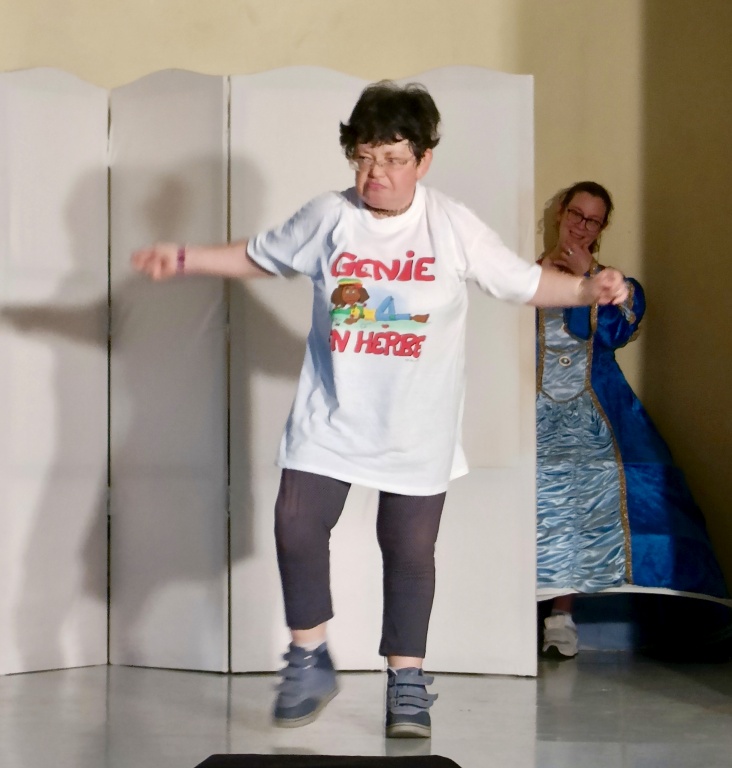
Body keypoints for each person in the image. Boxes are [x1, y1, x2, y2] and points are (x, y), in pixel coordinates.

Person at [132, 82, 627, 738]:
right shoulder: (329, 217)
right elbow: (260, 254)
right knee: (295, 523)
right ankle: (309, 657)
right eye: (364, 158)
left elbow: (523, 281)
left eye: (393, 159)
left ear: (423, 160)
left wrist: (588, 288)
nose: (376, 175)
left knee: (408, 548)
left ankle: (407, 682)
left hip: (417, 422)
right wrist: (185, 257)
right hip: (332, 413)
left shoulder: (450, 224)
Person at [536, 181, 729, 660]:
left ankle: (564, 615)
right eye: (576, 214)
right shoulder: (525, 278)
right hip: (531, 411)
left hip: (603, 412)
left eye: (592, 221)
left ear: (602, 228)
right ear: (560, 213)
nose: (581, 226)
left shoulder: (618, 287)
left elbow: (613, 334)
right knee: (538, 487)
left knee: (635, 486)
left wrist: (588, 278)